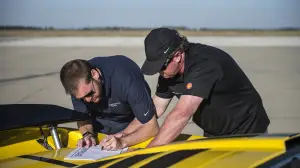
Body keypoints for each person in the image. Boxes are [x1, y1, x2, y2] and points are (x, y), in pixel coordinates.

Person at [141, 27, 270, 148]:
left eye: (161, 66)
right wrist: (124, 137)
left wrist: (147, 151)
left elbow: (181, 114)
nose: (159, 72)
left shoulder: (204, 65)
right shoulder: (169, 72)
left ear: (178, 56)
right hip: (214, 132)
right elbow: (155, 108)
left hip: (248, 130)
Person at [60, 55, 159, 150]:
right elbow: (84, 119)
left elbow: (152, 127)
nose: (88, 100)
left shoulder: (126, 77)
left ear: (95, 74)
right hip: (100, 129)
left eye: (90, 93)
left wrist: (122, 141)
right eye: (82, 98)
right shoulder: (79, 89)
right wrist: (87, 135)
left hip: (131, 127)